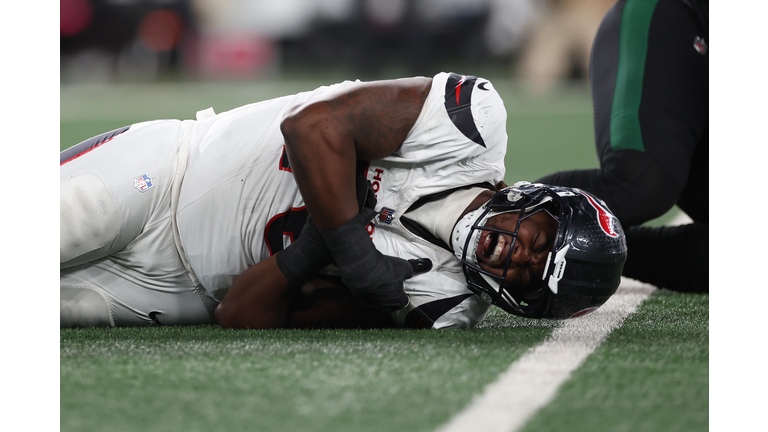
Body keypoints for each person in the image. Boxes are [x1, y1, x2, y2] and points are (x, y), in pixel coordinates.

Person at [60, 72, 627, 330]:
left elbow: (239, 313)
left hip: (177, 293)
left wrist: (312, 251)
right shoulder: (471, 128)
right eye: (541, 243)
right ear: (537, 201)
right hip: (170, 174)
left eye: (532, 277)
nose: (520, 258)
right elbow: (312, 127)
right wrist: (352, 249)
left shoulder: (440, 303)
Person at [536, 0, 708, 293]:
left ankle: (550, 244)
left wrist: (597, 249)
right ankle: (477, 216)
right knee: (642, 181)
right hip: (679, 17)